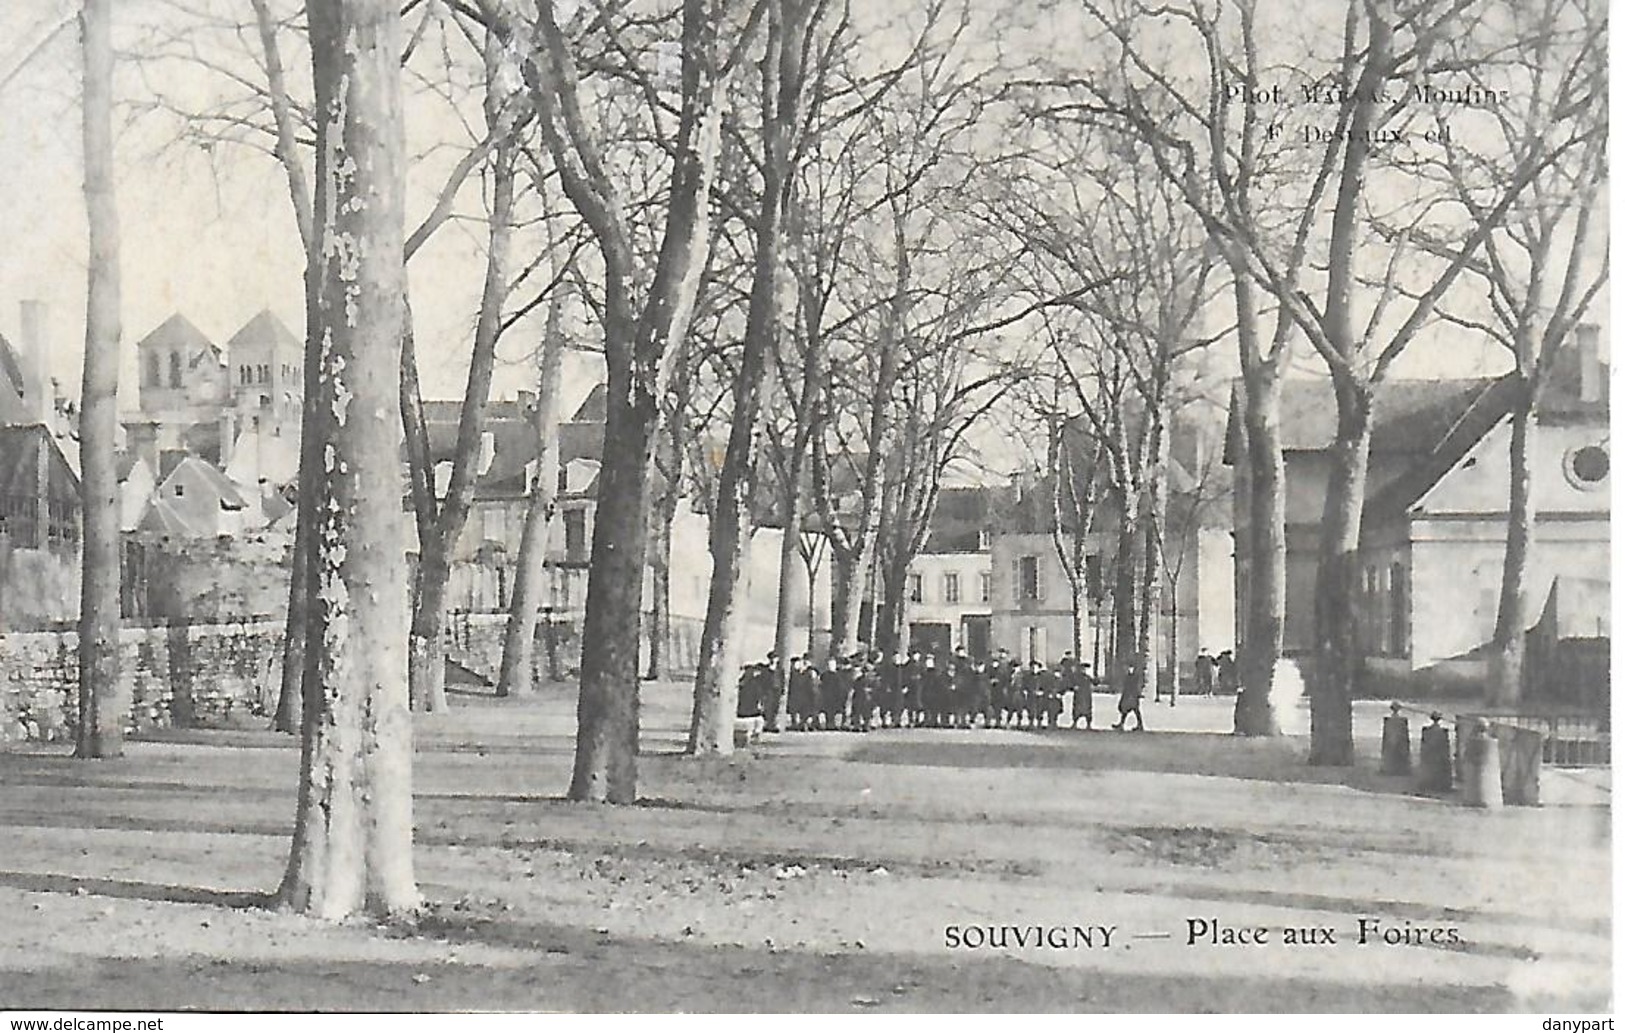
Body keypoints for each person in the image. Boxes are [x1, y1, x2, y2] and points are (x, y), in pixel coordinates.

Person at [1113, 663, 1145, 732]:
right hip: (1129, 695)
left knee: (1134, 710)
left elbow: (1137, 686)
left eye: (1131, 668)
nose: (1130, 670)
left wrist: (1137, 693)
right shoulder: (1129, 677)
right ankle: (1138, 725)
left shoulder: (1135, 677)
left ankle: (1139, 725)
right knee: (1129, 710)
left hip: (1132, 695)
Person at [1072, 661, 1095, 730]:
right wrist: (1075, 686)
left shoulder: (1088, 677)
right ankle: (1074, 723)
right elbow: (1073, 682)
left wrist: (1092, 676)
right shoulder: (1077, 676)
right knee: (1077, 708)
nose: (1084, 670)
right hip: (1079, 694)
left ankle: (1088, 724)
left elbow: (1096, 682)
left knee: (1088, 709)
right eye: (1083, 668)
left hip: (1087, 694)